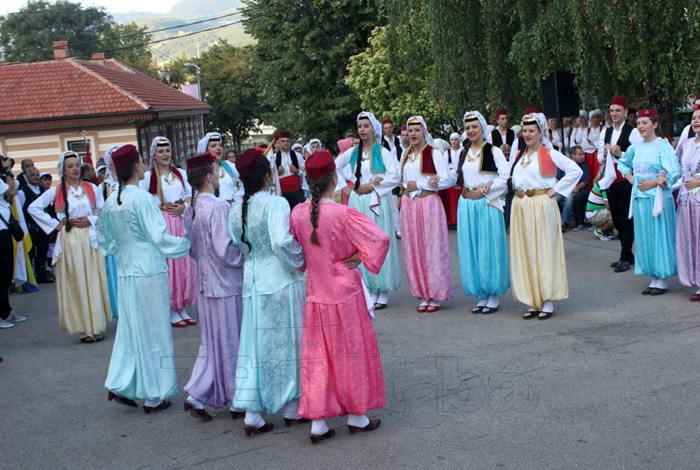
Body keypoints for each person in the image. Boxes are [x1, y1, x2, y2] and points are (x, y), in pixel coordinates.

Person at [290, 150, 388, 444]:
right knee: (352, 352)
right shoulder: (344, 213)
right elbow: (380, 239)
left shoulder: (297, 214)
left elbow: (299, 251)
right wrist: (359, 255)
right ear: (335, 178)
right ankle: (357, 415)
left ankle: (318, 422)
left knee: (318, 358)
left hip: (316, 294)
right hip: (345, 293)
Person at [97, 144, 191, 414]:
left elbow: (106, 243)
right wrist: (187, 244)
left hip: (126, 271)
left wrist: (124, 249)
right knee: (154, 331)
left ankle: (120, 382)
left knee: (131, 331)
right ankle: (154, 394)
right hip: (148, 270)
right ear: (136, 166)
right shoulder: (142, 198)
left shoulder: (112, 199)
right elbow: (159, 237)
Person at [229, 149, 306, 437]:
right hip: (279, 280)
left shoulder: (235, 209)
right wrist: (300, 261)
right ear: (266, 175)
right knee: (286, 342)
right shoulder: (276, 204)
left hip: (252, 281)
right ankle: (291, 405)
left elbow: (239, 245)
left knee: (254, 345)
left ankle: (252, 412)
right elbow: (281, 241)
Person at [182, 152, 245, 421]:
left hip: (206, 286)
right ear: (209, 176)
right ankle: (236, 398)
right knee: (231, 343)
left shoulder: (191, 208)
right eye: (218, 171)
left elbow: (194, 250)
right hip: (226, 285)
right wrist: (246, 254)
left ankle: (197, 395)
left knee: (212, 343)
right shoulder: (219, 207)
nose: (220, 175)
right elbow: (224, 250)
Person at [28, 151, 111, 341]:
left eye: (76, 165)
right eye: (70, 166)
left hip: (90, 237)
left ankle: (97, 326)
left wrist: (90, 219)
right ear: (63, 170)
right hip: (71, 238)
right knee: (78, 281)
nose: (75, 169)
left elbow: (104, 209)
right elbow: (33, 208)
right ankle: (84, 327)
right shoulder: (56, 191)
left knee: (94, 279)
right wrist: (55, 225)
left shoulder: (91, 188)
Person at [509, 113, 582, 320]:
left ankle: (547, 299)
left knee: (543, 250)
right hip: (521, 207)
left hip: (541, 204)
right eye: (525, 131)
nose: (528, 134)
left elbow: (574, 171)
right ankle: (533, 299)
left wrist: (556, 190)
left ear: (541, 132)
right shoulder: (519, 156)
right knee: (526, 251)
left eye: (532, 131)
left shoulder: (549, 153)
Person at [336, 112, 401, 310]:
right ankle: (369, 287)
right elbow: (334, 166)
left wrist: (372, 186)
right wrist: (345, 187)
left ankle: (382, 289)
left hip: (376, 202)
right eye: (360, 126)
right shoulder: (353, 152)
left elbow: (395, 176)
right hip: (358, 201)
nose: (362, 129)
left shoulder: (383, 152)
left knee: (376, 241)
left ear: (374, 129)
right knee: (360, 244)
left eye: (366, 126)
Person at [617, 109, 681, 295]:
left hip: (658, 199)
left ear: (655, 124)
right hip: (641, 199)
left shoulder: (663, 146)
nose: (641, 127)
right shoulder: (636, 147)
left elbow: (674, 170)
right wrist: (630, 178)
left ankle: (662, 278)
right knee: (645, 236)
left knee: (659, 236)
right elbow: (623, 162)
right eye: (639, 123)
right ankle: (653, 276)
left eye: (645, 123)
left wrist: (656, 181)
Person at [455, 111, 510, 314]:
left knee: (489, 247)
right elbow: (456, 177)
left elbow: (505, 177)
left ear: (482, 129)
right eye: (467, 128)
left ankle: (493, 294)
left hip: (487, 204)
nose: (470, 131)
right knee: (471, 248)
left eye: (474, 127)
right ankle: (481, 293)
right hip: (467, 205)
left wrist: (485, 188)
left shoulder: (493, 151)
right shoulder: (463, 153)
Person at [139, 137, 197, 327]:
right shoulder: (148, 177)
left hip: (180, 222)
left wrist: (184, 206)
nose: (165, 154)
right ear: (153, 154)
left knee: (183, 265)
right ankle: (171, 308)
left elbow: (190, 193)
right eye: (160, 151)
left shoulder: (179, 173)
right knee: (169, 266)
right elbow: (143, 200)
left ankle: (182, 307)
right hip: (162, 223)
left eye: (167, 150)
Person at [399, 116, 454, 312]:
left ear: (424, 131)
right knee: (414, 248)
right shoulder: (406, 154)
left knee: (432, 247)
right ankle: (422, 292)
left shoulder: (434, 153)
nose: (413, 134)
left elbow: (447, 179)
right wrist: (411, 187)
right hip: (410, 204)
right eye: (410, 130)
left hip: (428, 202)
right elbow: (404, 180)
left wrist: (421, 184)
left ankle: (435, 293)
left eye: (416, 130)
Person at [597, 95, 642, 273]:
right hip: (610, 178)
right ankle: (628, 253)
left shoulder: (633, 132)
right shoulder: (605, 132)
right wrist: (606, 152)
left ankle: (624, 256)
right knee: (615, 218)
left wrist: (620, 153)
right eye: (612, 110)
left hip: (625, 177)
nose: (614, 114)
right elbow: (600, 157)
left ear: (625, 112)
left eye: (618, 110)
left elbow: (638, 158)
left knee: (625, 217)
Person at [676, 105, 700, 300]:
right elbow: (676, 169)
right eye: (693, 118)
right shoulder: (686, 144)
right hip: (686, 200)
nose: (696, 121)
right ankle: (696, 280)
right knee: (690, 239)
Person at [0, 159, 25, 329]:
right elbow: (11, 191)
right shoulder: (3, 177)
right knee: (2, 274)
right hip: (1, 230)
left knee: (6, 273)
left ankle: (5, 311)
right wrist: (7, 172)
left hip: (4, 229)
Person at [17, 166, 52, 283]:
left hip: (43, 227)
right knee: (31, 252)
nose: (36, 177)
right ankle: (30, 277)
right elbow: (20, 211)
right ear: (27, 177)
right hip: (31, 227)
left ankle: (41, 275)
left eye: (37, 175)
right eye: (33, 175)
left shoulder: (43, 191)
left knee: (43, 250)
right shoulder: (23, 192)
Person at [198, 132, 243, 203]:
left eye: (220, 145)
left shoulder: (228, 166)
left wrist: (236, 198)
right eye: (213, 146)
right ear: (206, 150)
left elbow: (244, 181)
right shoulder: (200, 171)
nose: (218, 148)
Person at [556, 146, 589, 231]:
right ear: (572, 155)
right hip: (563, 190)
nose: (582, 156)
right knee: (553, 199)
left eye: (583, 154)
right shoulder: (564, 164)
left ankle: (563, 223)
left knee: (569, 198)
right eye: (579, 154)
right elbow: (557, 179)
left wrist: (577, 188)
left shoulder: (583, 165)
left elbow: (585, 182)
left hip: (575, 191)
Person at [274, 131, 305, 210]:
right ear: (279, 142)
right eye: (283, 141)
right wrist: (277, 173)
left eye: (287, 141)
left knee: (299, 212)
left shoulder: (298, 156)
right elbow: (270, 178)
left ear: (290, 142)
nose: (285, 143)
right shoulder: (274, 158)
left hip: (297, 191)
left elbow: (305, 174)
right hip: (282, 192)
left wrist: (297, 171)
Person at [439, 132, 462, 227]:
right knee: (451, 202)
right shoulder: (447, 152)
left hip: (460, 178)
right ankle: (451, 220)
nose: (454, 142)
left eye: (455, 139)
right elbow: (444, 166)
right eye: (452, 140)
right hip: (450, 178)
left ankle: (459, 220)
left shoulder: (462, 151)